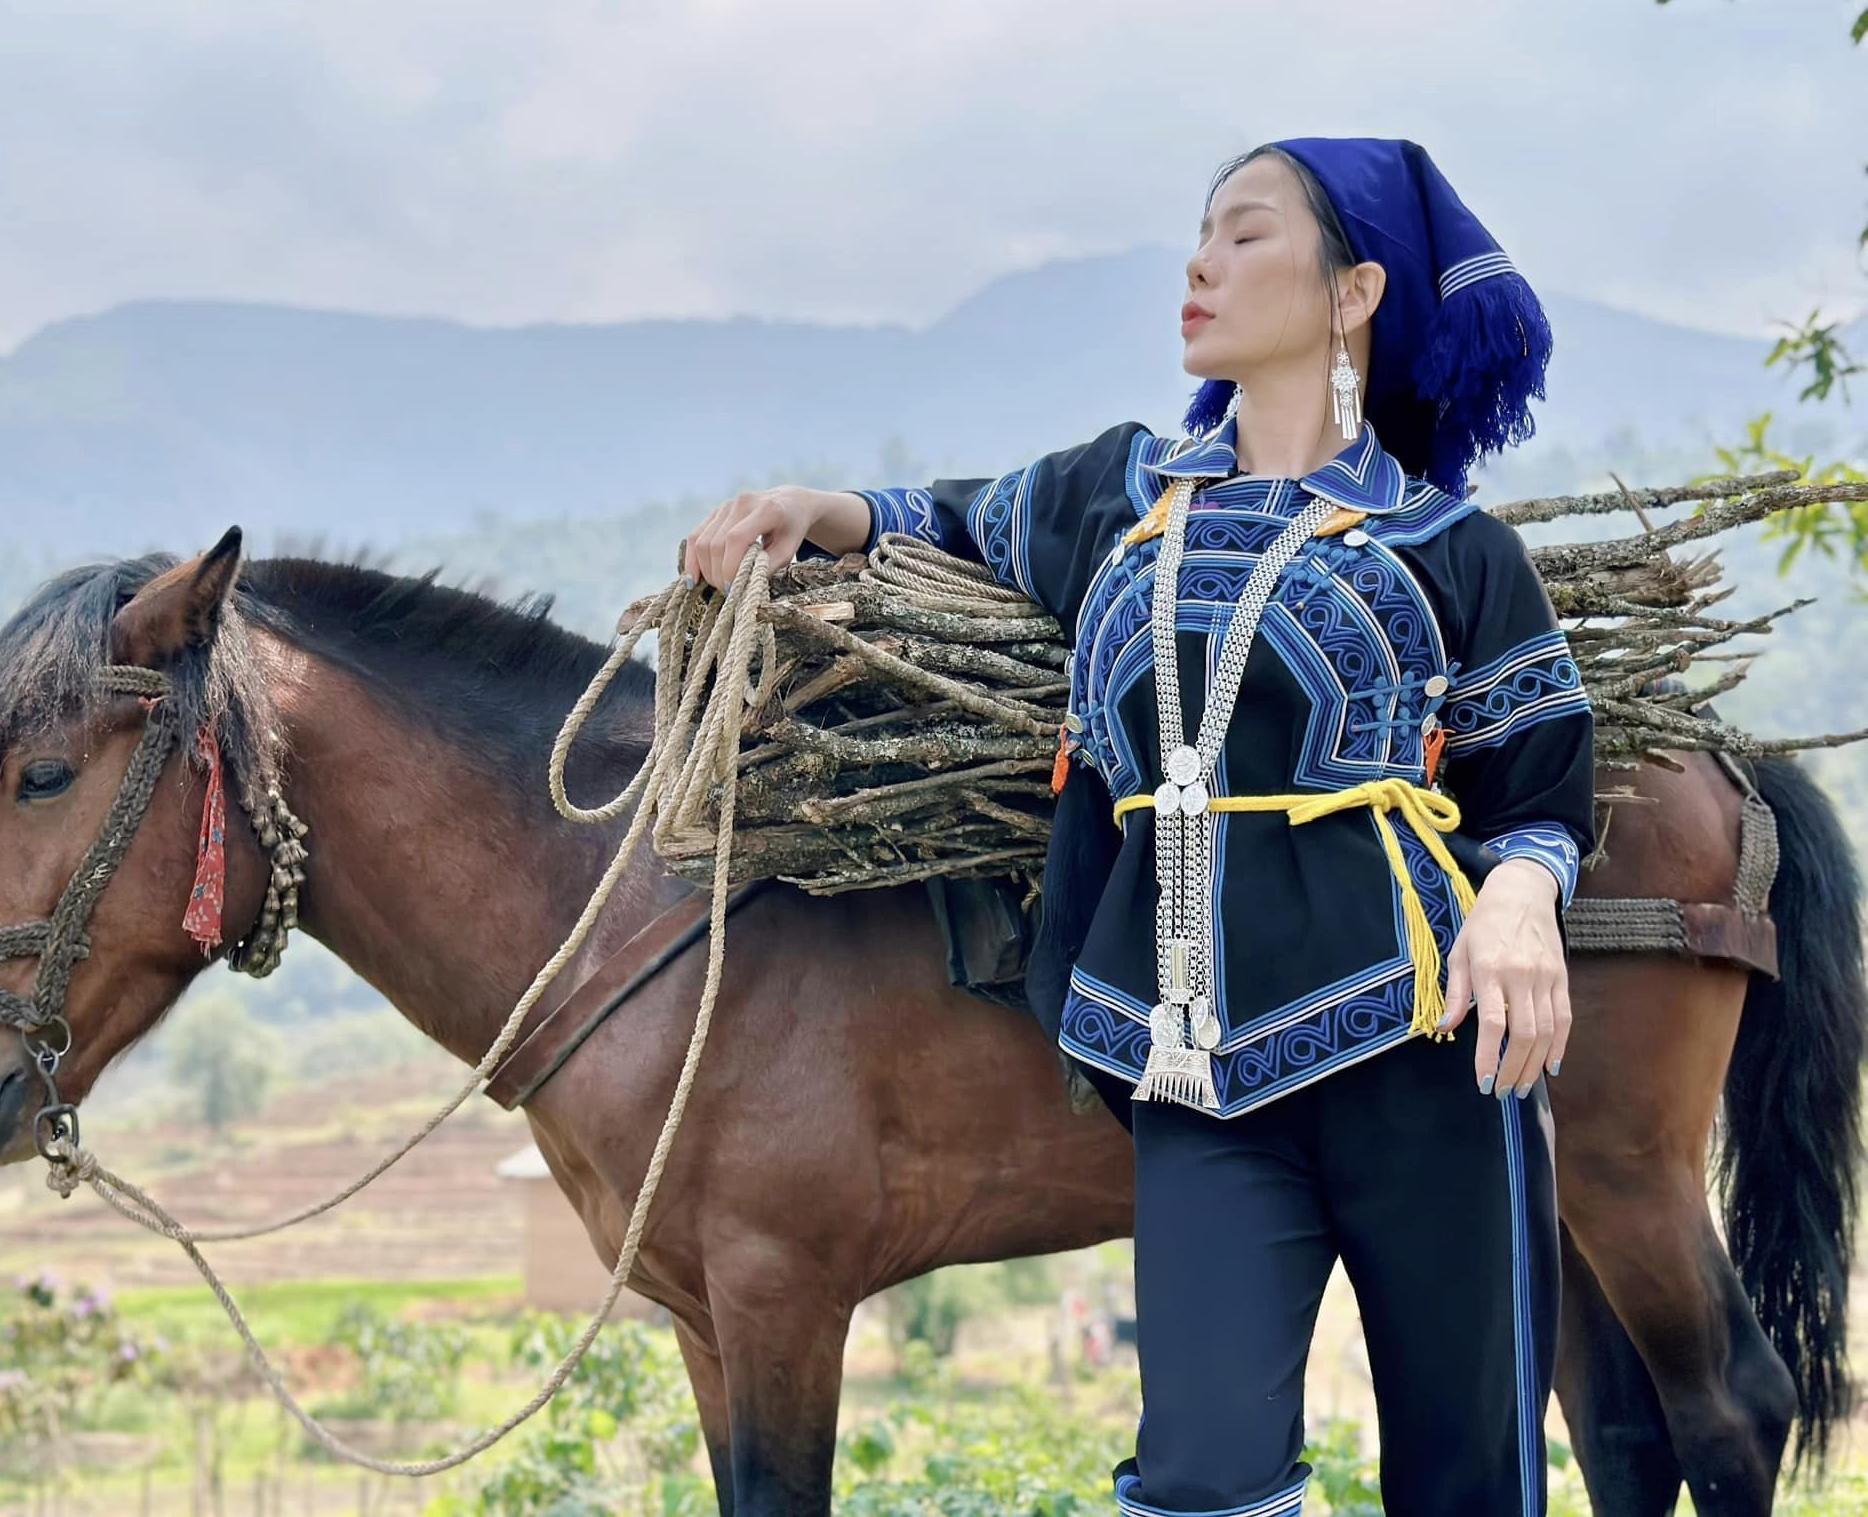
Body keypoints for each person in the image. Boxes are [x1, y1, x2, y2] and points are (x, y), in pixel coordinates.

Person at [680, 138, 1593, 1517]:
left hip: (1424, 1057)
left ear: (1356, 291)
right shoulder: (1119, 498)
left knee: (1471, 1481)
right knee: (1200, 1479)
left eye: (1245, 236)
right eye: (1199, 235)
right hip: (1198, 1078)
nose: (1200, 263)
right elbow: (950, 519)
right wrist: (820, 507)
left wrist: (1521, 900)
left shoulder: (1446, 545)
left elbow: (1538, 788)